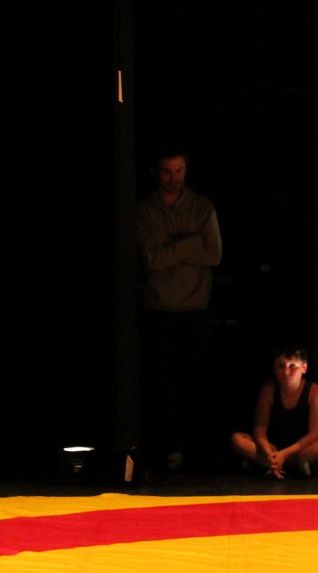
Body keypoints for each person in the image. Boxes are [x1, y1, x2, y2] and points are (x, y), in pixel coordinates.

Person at [136, 149, 223, 471]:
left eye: (179, 170)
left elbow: (214, 255)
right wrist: (193, 241)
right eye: (167, 171)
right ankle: (170, 449)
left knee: (197, 385)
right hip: (159, 308)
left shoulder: (201, 206)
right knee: (163, 387)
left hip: (195, 307)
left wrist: (172, 248)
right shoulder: (145, 210)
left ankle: (200, 452)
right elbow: (152, 259)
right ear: (155, 172)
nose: (174, 178)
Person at [230, 345, 318, 478]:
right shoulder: (269, 389)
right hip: (272, 447)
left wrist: (284, 454)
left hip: (299, 450)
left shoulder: (316, 392)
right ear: (274, 368)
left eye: (292, 366)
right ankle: (281, 465)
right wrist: (270, 454)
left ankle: (270, 464)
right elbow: (260, 429)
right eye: (281, 366)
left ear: (304, 368)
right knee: (237, 439)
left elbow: (315, 435)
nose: (286, 372)